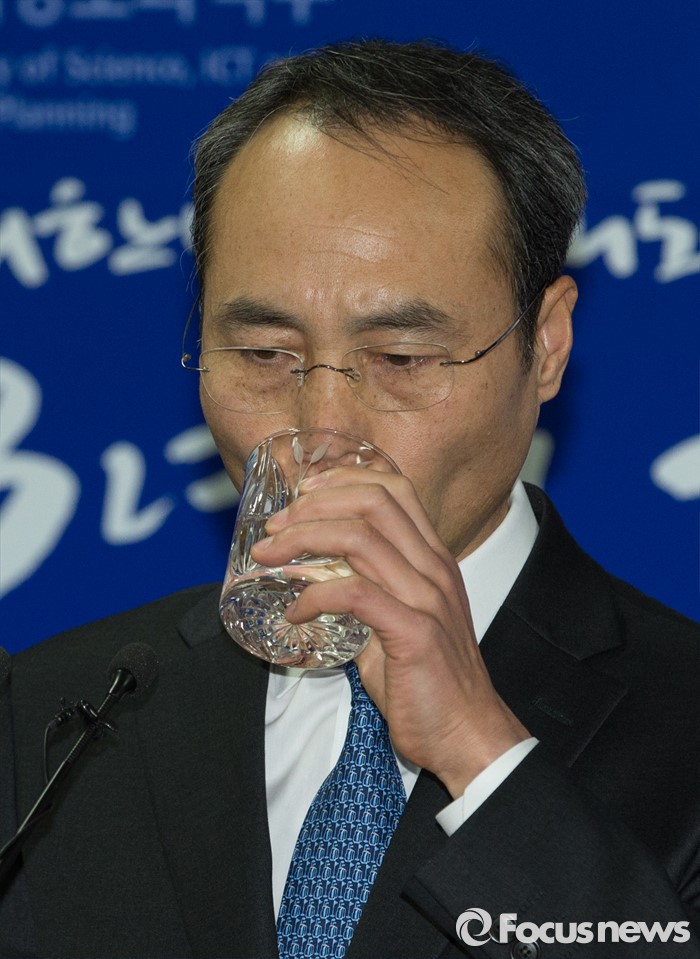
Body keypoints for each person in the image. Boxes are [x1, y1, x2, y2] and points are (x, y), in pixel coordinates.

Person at [1, 39, 698, 959]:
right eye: (263, 354)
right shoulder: (50, 717)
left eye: (401, 358)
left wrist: (481, 751)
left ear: (548, 343)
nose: (323, 426)